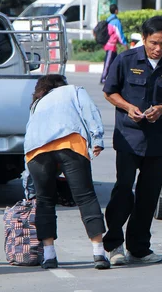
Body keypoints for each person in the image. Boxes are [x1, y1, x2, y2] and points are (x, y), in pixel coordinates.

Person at [102, 16, 162, 265]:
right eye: (153, 43)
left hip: (157, 142)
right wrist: (128, 107)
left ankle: (139, 248)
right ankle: (114, 245)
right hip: (128, 138)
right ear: (143, 39)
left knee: (148, 196)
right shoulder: (126, 60)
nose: (158, 48)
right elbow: (109, 92)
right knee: (122, 192)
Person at [23, 74, 109, 270]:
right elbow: (91, 112)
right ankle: (99, 254)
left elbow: (29, 134)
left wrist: (27, 184)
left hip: (36, 152)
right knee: (86, 197)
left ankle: (49, 256)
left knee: (44, 201)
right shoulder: (74, 90)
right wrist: (97, 140)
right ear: (61, 84)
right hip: (70, 144)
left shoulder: (37, 104)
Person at [101, 4, 128, 84]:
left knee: (114, 63)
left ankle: (112, 78)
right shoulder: (116, 21)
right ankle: (103, 78)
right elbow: (119, 34)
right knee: (108, 63)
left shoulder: (108, 19)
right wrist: (124, 44)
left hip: (109, 45)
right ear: (116, 10)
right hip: (111, 46)